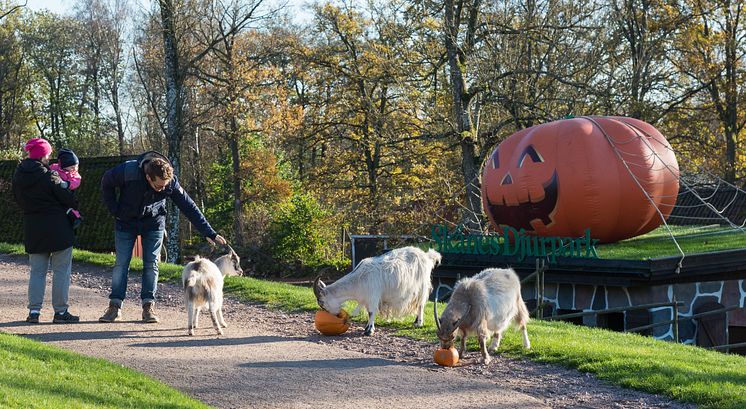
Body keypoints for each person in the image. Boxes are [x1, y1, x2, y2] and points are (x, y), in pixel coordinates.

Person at [98, 151, 226, 323]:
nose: (164, 189)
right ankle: (114, 307)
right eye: (159, 186)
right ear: (148, 177)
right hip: (126, 221)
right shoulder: (128, 172)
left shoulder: (170, 182)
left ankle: (148, 307)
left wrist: (209, 232)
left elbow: (188, 206)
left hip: (154, 222)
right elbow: (106, 181)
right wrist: (115, 210)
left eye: (166, 186)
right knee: (121, 264)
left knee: (151, 263)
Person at [12, 138, 80, 324]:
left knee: (37, 272)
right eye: (48, 154)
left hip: (33, 227)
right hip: (58, 228)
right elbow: (68, 199)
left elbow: (18, 199)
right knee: (61, 271)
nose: (49, 158)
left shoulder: (18, 175)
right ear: (42, 155)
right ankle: (60, 312)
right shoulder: (49, 175)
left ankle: (34, 312)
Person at [49, 148, 82, 227]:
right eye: (72, 167)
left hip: (68, 191)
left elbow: (77, 181)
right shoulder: (54, 168)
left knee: (70, 206)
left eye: (76, 166)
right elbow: (48, 170)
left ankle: (76, 218)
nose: (74, 169)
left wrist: (68, 184)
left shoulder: (74, 174)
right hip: (57, 193)